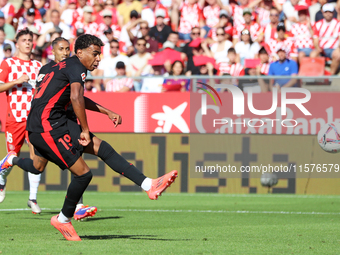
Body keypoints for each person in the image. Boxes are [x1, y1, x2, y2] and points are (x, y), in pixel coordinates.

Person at [1, 34, 177, 241]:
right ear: (80, 52)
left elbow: (76, 96)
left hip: (55, 123)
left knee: (102, 148)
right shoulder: (74, 67)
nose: (98, 59)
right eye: (95, 54)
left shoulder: (60, 67)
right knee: (82, 174)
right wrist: (84, 129)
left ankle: (148, 184)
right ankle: (63, 219)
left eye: (99, 54)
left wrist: (106, 111)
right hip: (45, 127)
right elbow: (75, 97)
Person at [0, 28, 42, 213]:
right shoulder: (8, 63)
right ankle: (1, 180)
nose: (28, 43)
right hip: (15, 118)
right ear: (17, 43)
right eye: (24, 40)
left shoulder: (38, 65)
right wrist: (16, 81)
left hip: (34, 118)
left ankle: (32, 198)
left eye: (30, 40)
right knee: (12, 157)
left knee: (37, 157)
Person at [310, 3, 340, 75]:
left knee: (338, 55)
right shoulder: (317, 24)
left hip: (333, 49)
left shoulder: (338, 24)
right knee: (313, 55)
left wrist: (338, 48)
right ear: (322, 12)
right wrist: (318, 48)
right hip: (322, 49)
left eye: (330, 12)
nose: (328, 14)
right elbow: (316, 39)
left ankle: (330, 75)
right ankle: (318, 75)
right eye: (326, 12)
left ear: (333, 12)